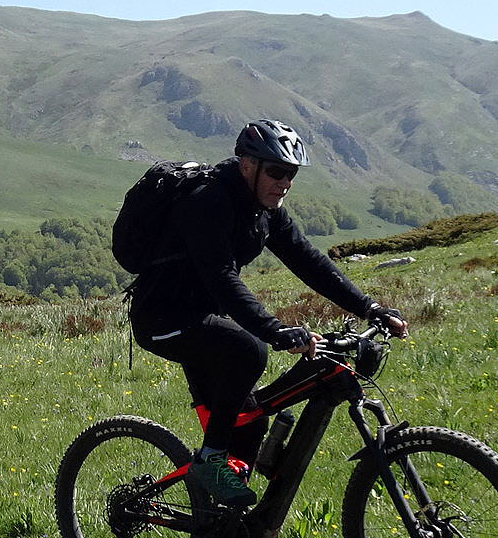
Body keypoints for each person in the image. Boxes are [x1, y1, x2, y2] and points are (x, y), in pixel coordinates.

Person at [128, 118, 408, 510]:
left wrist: (370, 307)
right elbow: (222, 278)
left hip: (205, 317)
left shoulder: (263, 208)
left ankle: (230, 525)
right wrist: (274, 330)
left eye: (291, 174)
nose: (285, 183)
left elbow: (307, 260)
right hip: (162, 319)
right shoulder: (207, 202)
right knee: (249, 349)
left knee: (251, 418)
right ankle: (211, 460)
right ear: (247, 165)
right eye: (277, 172)